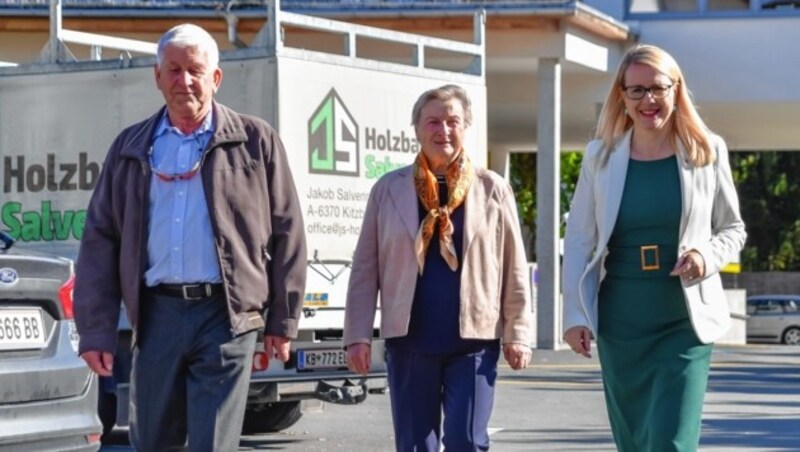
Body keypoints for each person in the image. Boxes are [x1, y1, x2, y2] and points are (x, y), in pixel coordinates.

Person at [73, 24, 307, 451]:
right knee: (153, 442)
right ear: (158, 77)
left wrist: (283, 320)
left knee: (212, 444)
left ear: (215, 78)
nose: (185, 81)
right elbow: (100, 241)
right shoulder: (130, 147)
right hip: (156, 314)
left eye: (195, 70)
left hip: (226, 318)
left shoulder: (255, 141)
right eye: (174, 70)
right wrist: (95, 330)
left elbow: (288, 230)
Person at [562, 44, 746, 451]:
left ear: (676, 89)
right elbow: (579, 239)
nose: (648, 99)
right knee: (636, 442)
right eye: (637, 90)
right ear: (622, 98)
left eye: (658, 88)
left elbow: (732, 229)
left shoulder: (707, 150)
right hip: (622, 320)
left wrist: (704, 256)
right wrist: (575, 315)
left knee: (671, 442)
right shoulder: (600, 157)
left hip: (684, 319)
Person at [344, 84, 533, 451]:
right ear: (416, 128)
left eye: (452, 121)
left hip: (473, 343)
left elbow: (514, 267)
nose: (442, 131)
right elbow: (366, 267)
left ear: (466, 127)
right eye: (433, 121)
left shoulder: (492, 189)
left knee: (467, 441)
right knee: (415, 444)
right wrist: (358, 334)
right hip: (410, 341)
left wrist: (518, 333)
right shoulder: (388, 189)